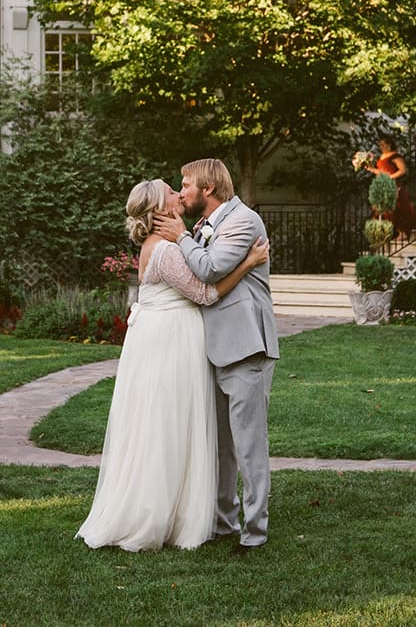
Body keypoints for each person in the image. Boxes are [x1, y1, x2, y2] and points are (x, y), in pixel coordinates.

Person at [78, 178, 270, 552]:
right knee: (167, 427)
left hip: (165, 339)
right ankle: (159, 514)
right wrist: (249, 262)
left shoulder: (167, 243)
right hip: (168, 343)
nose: (178, 194)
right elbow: (204, 293)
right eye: (171, 191)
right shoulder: (165, 250)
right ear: (160, 208)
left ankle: (186, 509)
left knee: (166, 426)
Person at [151, 157, 279, 552]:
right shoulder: (204, 226)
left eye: (186, 185)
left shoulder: (244, 221)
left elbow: (210, 269)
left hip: (245, 346)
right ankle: (225, 523)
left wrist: (180, 237)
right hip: (213, 349)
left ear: (207, 188)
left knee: (248, 444)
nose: (182, 192)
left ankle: (254, 532)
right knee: (221, 445)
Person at [369, 136, 416, 237]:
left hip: (393, 184)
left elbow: (403, 170)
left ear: (389, 145)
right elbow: (381, 172)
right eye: (380, 145)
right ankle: (382, 235)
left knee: (396, 209)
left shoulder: (395, 156)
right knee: (382, 210)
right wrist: (370, 169)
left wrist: (390, 177)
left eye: (383, 145)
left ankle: (403, 231)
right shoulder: (382, 156)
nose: (381, 147)